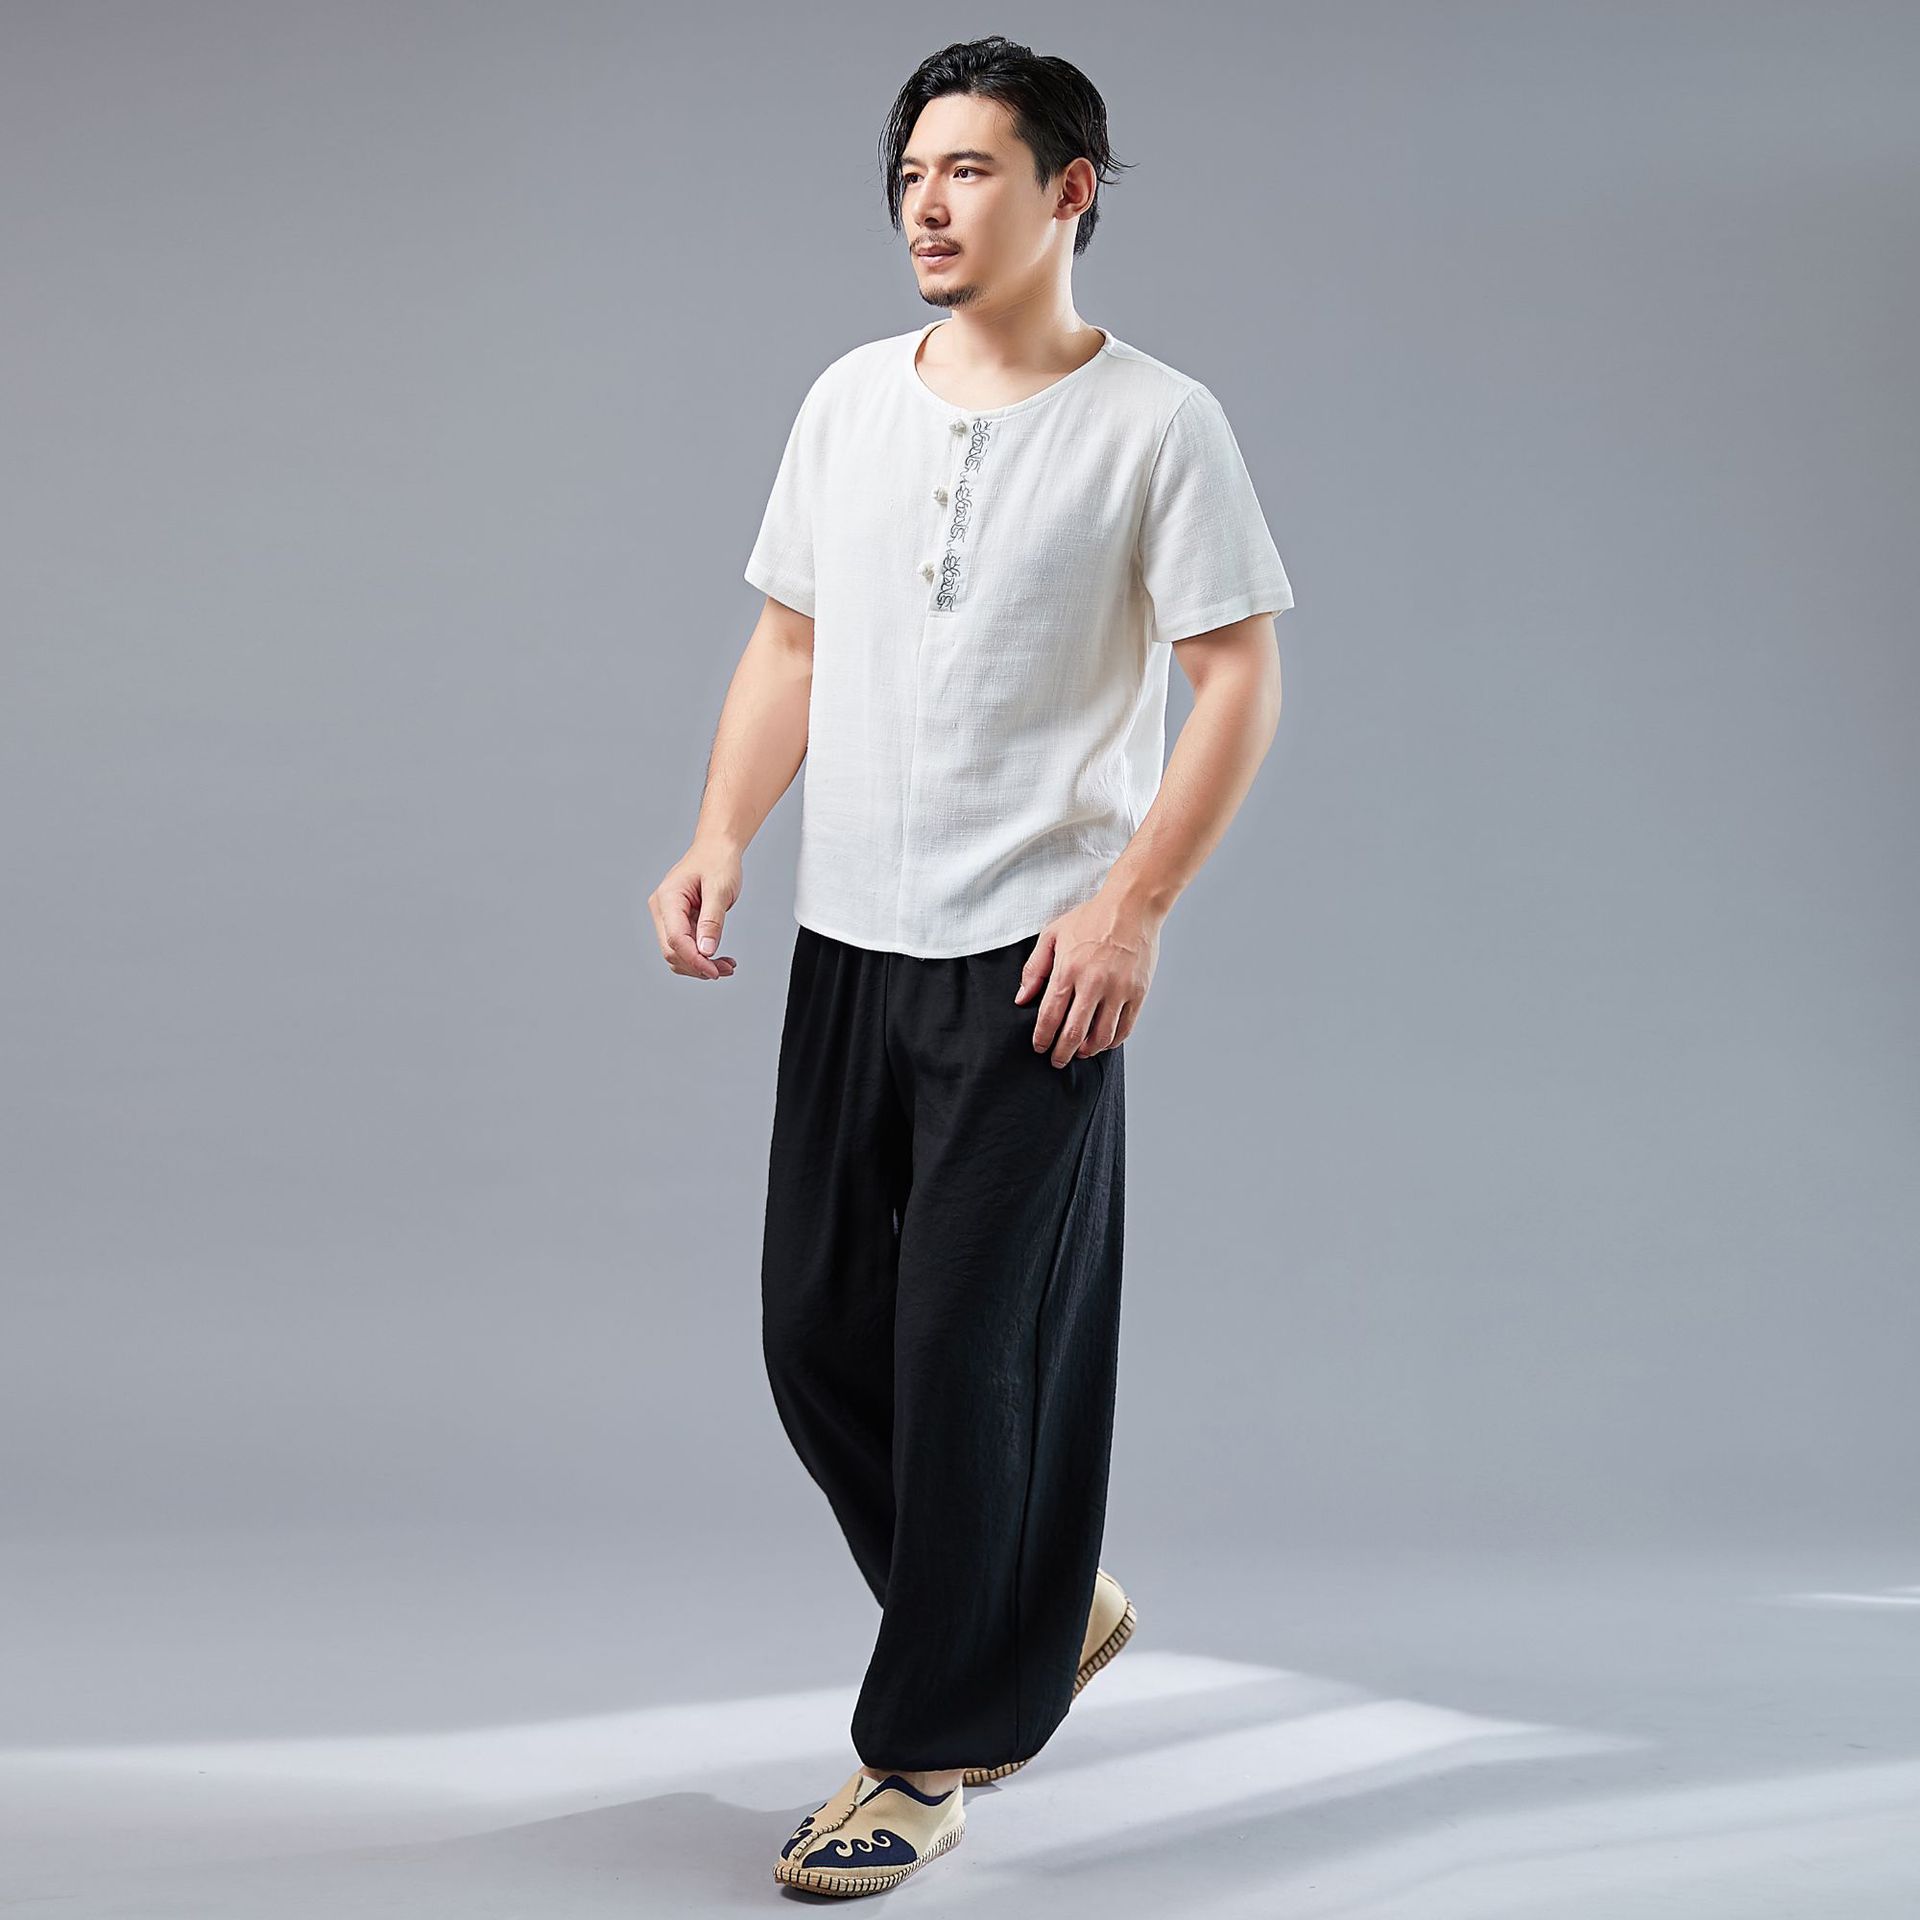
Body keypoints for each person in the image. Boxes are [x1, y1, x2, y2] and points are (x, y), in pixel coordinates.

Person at [649, 33, 1294, 1898]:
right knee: (815, 1332)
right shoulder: (850, 399)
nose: (928, 206)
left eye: (971, 171)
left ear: (1067, 191)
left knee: (961, 1357)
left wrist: (1135, 904)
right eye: (911, 174)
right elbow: (791, 643)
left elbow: (1238, 678)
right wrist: (721, 833)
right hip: (851, 939)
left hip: (1037, 962)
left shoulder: (1158, 423)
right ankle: (1035, 1602)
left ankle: (926, 1750)